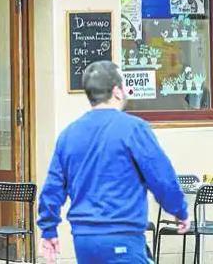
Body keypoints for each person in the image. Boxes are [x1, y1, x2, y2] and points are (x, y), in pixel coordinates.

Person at [37, 61, 190, 264]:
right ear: (117, 91)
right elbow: (162, 177)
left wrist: (48, 229)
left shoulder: (69, 134)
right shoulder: (133, 129)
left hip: (84, 241)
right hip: (123, 236)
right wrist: (179, 210)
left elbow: (53, 187)